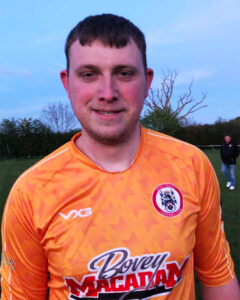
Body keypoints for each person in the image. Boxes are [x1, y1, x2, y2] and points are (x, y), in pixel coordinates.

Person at [1, 14, 240, 300]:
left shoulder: (191, 164)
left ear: (147, 81)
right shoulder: (32, 192)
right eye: (89, 74)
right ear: (67, 83)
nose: (107, 93)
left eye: (124, 73)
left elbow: (217, 277)